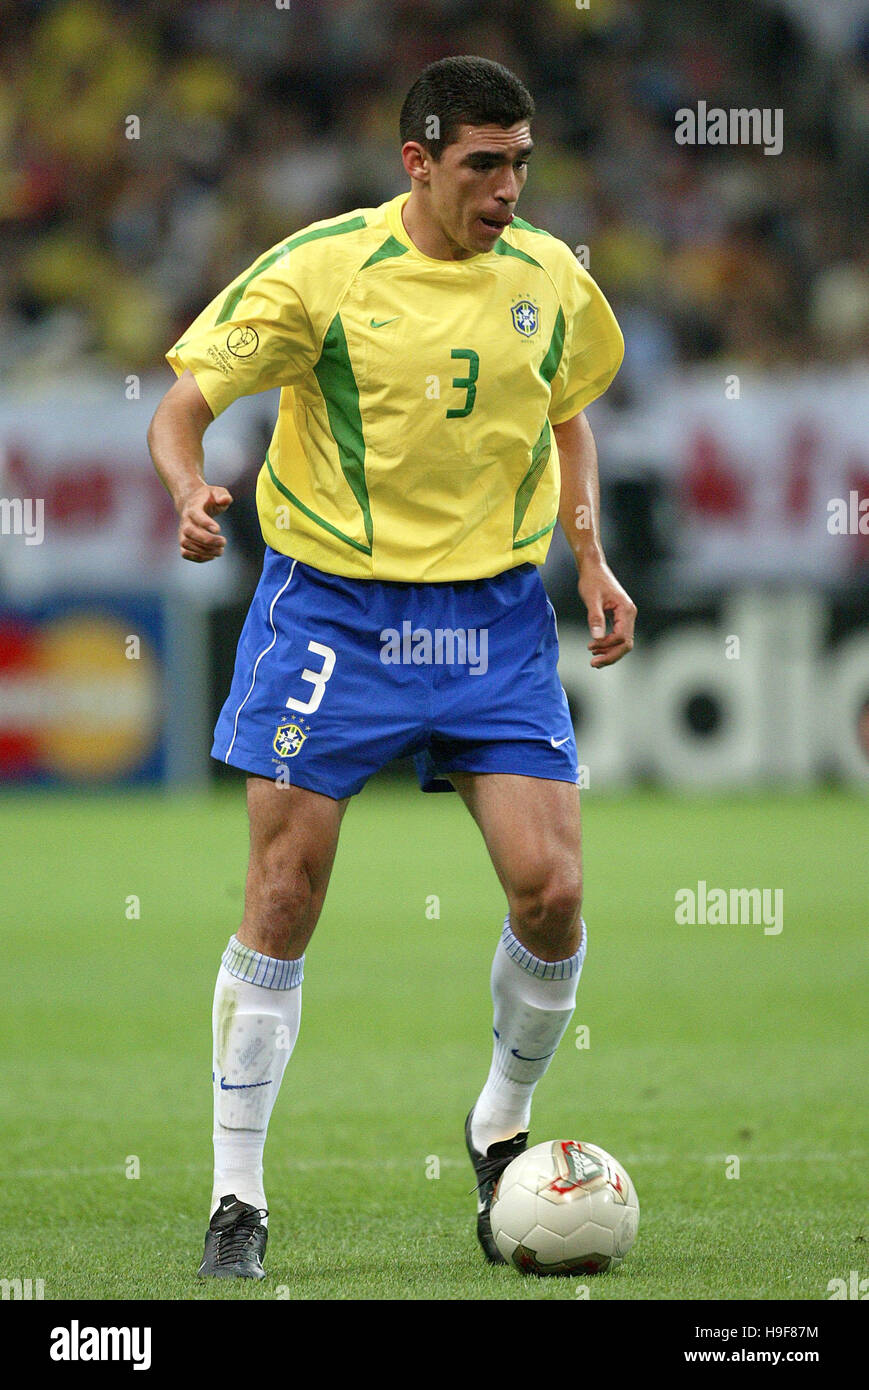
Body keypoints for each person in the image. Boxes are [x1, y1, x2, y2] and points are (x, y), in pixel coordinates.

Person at [147, 54, 636, 1281]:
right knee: (283, 893)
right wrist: (186, 492)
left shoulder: (550, 277)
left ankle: (496, 1124)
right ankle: (237, 1198)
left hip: (488, 620)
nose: (507, 189)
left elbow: (566, 409)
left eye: (520, 162)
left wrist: (589, 558)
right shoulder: (324, 269)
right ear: (417, 162)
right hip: (332, 619)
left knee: (552, 891)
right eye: (482, 164)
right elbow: (181, 406)